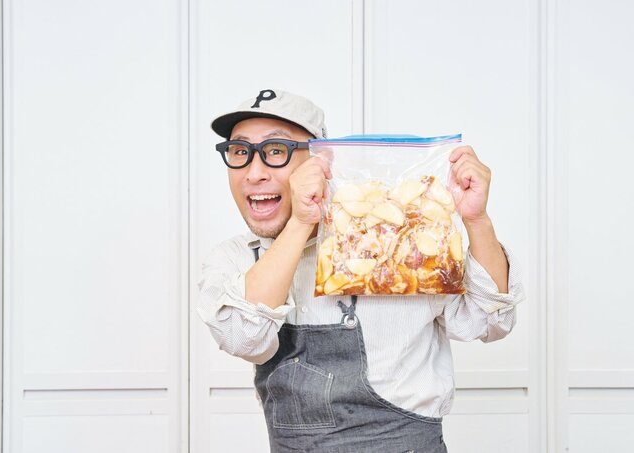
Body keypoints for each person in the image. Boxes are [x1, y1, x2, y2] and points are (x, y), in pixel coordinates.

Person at [197, 89, 524, 453]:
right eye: (239, 152)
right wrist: (302, 222)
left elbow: (489, 322)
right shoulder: (236, 259)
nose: (254, 173)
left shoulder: (394, 245)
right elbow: (244, 338)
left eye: (276, 151)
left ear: (322, 161)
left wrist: (476, 220)